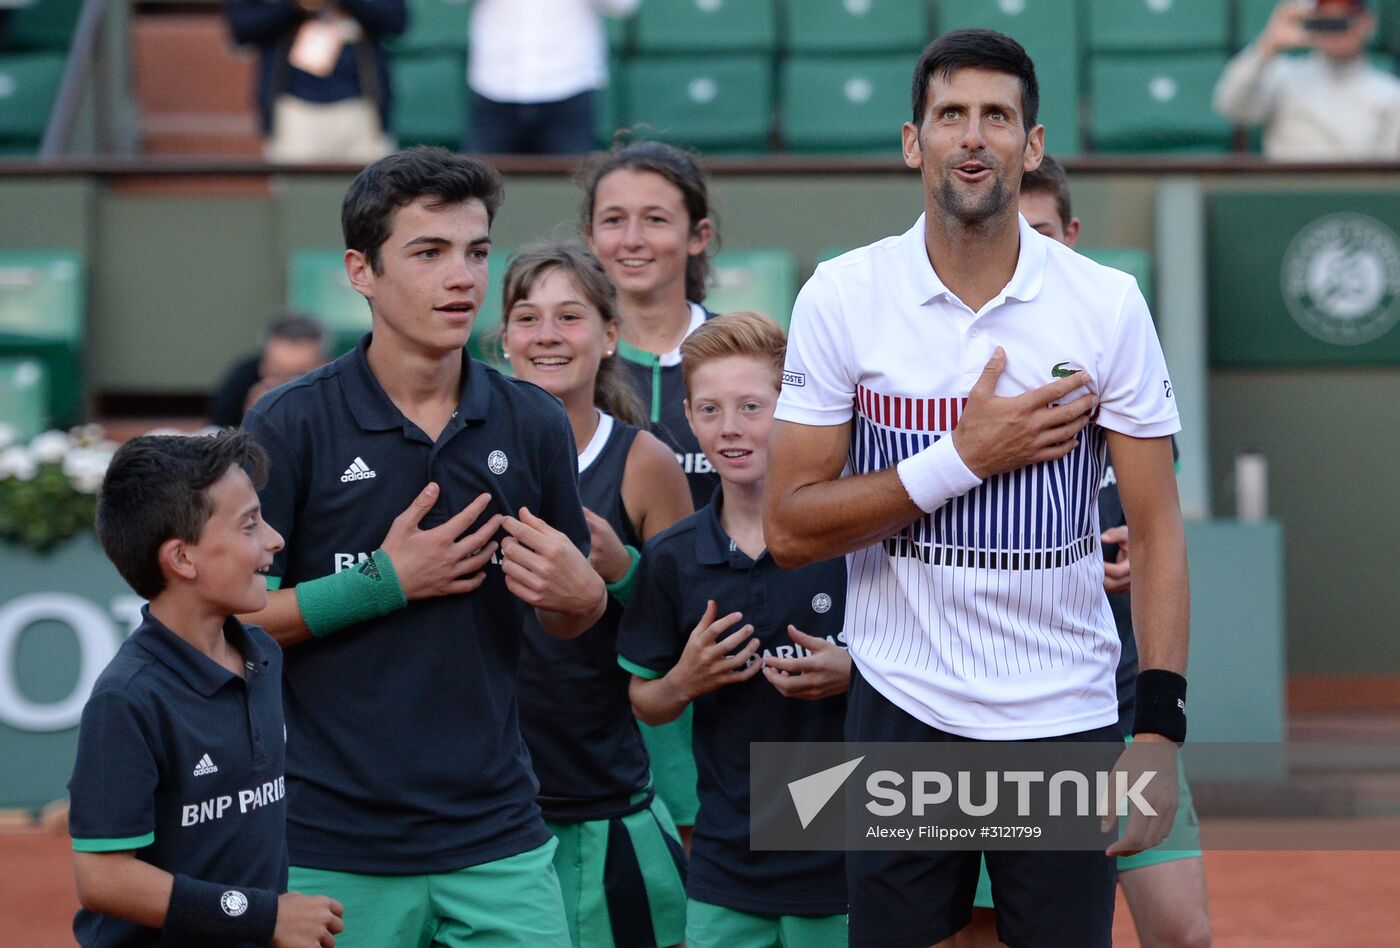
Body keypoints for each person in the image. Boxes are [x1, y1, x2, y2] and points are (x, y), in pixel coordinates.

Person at [764, 30, 1190, 948]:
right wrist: (961, 456)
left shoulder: (1107, 304)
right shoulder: (842, 295)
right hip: (901, 709)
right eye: (950, 114)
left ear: (1031, 146)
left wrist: (1158, 727)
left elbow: (1156, 532)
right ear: (913, 141)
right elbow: (791, 528)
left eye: (997, 116)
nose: (973, 136)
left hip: (1067, 714)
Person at [240, 147, 607, 947]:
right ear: (360, 271)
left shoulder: (533, 423)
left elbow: (567, 617)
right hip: (333, 846)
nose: (464, 278)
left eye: (477, 252)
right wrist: (383, 582)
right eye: (429, 252)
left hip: (500, 835)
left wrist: (585, 600)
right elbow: (233, 626)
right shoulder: (289, 424)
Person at [950, 156, 1212, 948]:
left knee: (1183, 931)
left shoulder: (1117, 346)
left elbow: (1160, 526)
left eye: (1036, 234)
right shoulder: (960, 379)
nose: (1019, 253)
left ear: (1071, 236)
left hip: (1123, 705)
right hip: (1006, 721)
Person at [618, 313, 851, 948]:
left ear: (792, 409)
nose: (731, 428)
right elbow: (646, 701)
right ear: (689, 418)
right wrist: (685, 681)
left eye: (752, 406)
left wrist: (853, 674)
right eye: (711, 409)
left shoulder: (855, 541)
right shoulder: (672, 557)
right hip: (725, 865)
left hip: (844, 866)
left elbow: (923, 678)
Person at [69, 430, 343, 947]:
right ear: (183, 559)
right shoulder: (127, 699)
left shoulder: (264, 654)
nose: (275, 539)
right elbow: (103, 879)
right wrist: (263, 916)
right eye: (250, 525)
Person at [498, 241, 693, 948]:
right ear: (504, 339)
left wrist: (623, 572)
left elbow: (687, 632)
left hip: (606, 796)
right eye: (528, 317)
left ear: (611, 336)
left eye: (570, 316)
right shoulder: (460, 456)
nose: (547, 334)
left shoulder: (645, 461)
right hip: (484, 810)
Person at [578, 139, 723, 840]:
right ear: (589, 236)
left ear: (698, 236)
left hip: (737, 679)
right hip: (602, 692)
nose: (632, 240)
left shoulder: (752, 359)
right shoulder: (559, 375)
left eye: (655, 220)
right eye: (613, 220)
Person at [1214, 0, 1400, 160]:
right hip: (1288, 192)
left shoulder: (1390, 93)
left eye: (1342, 21)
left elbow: (1389, 171)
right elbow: (1230, 106)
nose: (1334, 31)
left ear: (1366, 24)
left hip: (1358, 196)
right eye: (1325, 21)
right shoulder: (1282, 76)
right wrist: (1267, 45)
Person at [225, 0, 404, 164]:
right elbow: (242, 26)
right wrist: (294, 5)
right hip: (293, 104)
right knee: (301, 192)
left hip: (361, 103)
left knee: (369, 192)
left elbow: (396, 20)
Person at [465, 0, 639, 155]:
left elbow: (624, 5)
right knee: (476, 185)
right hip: (494, 87)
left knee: (574, 188)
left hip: (570, 86)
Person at [208, 312, 329, 428]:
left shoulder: (336, 384)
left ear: (323, 364)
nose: (289, 385)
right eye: (279, 371)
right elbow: (221, 429)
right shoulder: (243, 379)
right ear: (263, 364)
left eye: (301, 374)